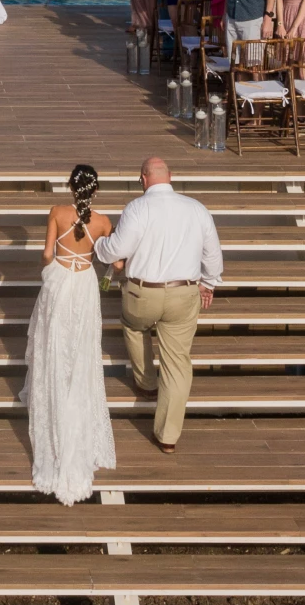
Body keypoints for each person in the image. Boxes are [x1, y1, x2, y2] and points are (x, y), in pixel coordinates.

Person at [94, 156, 222, 453]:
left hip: (142, 293)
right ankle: (167, 436)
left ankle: (146, 382)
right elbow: (212, 253)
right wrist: (209, 283)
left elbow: (117, 249)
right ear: (171, 176)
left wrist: (99, 245)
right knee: (177, 363)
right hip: (183, 293)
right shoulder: (196, 208)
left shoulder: (138, 207)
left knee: (133, 325)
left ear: (143, 178)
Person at [27, 163, 117, 504]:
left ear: (70, 186)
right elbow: (115, 260)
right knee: (81, 352)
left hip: (61, 282)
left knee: (54, 346)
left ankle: (54, 415)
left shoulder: (57, 212)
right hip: (85, 284)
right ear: (95, 191)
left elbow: (47, 253)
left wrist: (53, 265)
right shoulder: (104, 222)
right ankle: (78, 430)